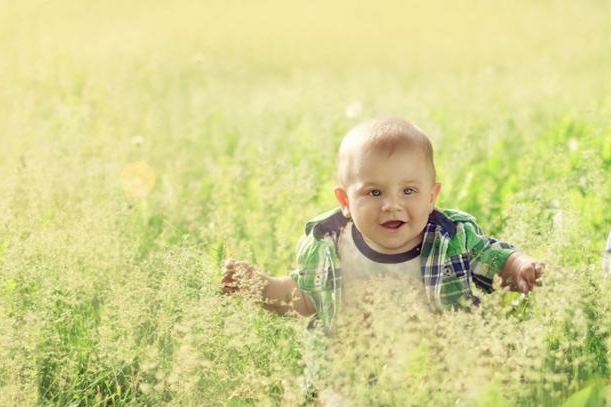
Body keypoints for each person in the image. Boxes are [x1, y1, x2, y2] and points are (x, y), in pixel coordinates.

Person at [221, 117, 544, 404]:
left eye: (408, 191)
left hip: (437, 382)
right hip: (350, 383)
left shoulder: (450, 240)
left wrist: (518, 267)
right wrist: (257, 286)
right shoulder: (331, 246)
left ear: (432, 197)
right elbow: (302, 298)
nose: (392, 205)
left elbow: (492, 257)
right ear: (345, 201)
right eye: (374, 193)